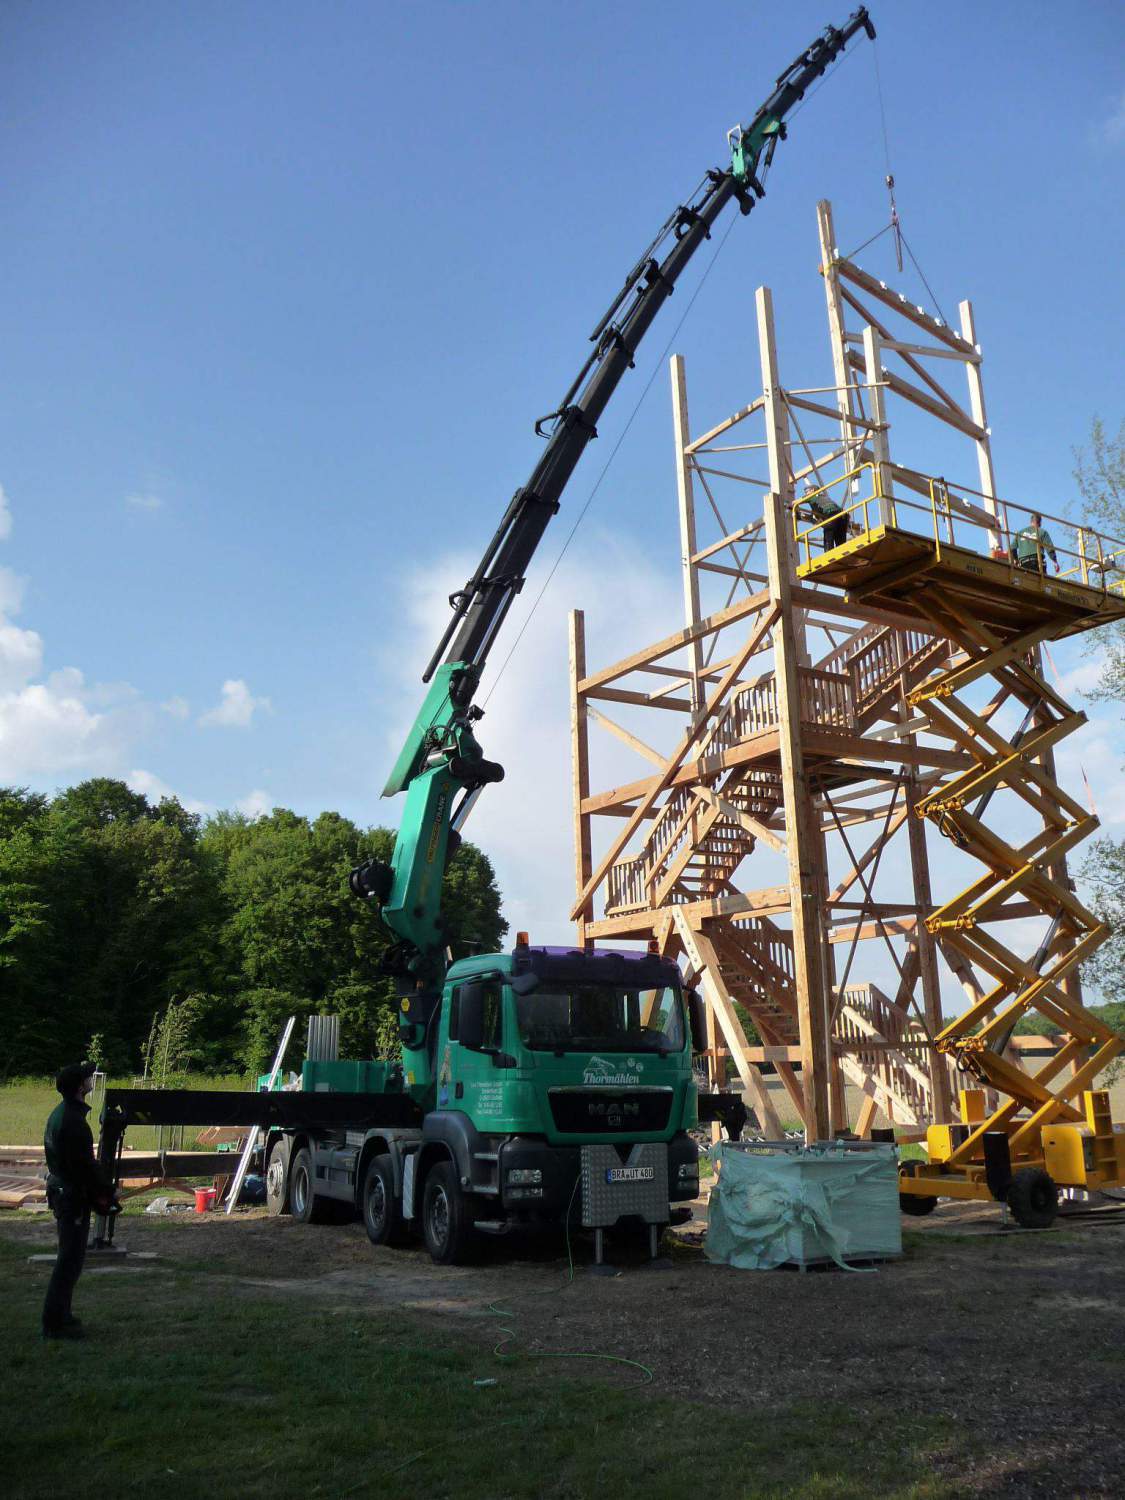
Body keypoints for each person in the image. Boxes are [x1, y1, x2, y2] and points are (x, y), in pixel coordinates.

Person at [41, 1060, 115, 1341]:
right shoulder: (73, 1122)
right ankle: (54, 1324)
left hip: (65, 1193)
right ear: (78, 1087)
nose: (90, 1080)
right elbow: (84, 1166)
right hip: (71, 1197)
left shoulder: (63, 1114)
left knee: (70, 1259)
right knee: (68, 1262)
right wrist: (106, 1191)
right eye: (87, 1077)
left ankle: (63, 1316)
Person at [802, 479, 848, 552]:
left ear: (813, 490)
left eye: (807, 491)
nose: (806, 493)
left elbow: (797, 502)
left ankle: (829, 554)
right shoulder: (824, 498)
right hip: (843, 516)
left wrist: (788, 505)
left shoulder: (812, 497)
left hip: (831, 515)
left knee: (828, 536)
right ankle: (843, 553)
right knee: (840, 540)